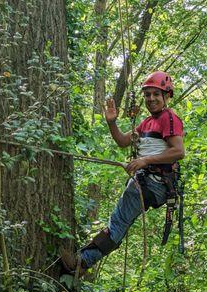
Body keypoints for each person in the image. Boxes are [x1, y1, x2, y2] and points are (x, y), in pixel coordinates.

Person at [61, 71, 185, 277]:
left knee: (118, 221)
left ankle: (81, 263)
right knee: (119, 221)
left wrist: (144, 160)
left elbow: (178, 151)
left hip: (154, 183)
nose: (151, 99)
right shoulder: (147, 122)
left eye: (156, 94)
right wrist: (111, 122)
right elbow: (122, 141)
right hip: (145, 181)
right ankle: (82, 261)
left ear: (166, 96)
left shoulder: (168, 118)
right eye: (147, 95)